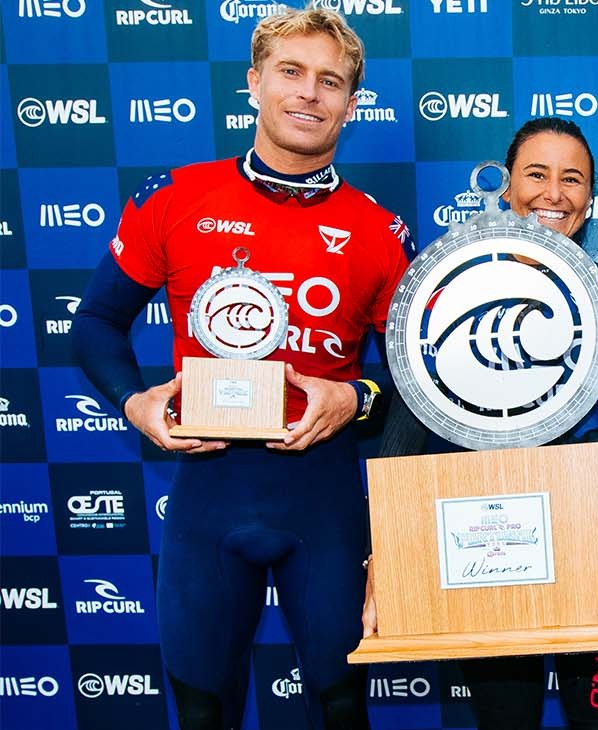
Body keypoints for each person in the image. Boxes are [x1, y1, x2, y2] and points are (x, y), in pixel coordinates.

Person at [72, 8, 411, 729]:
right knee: (201, 711)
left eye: (330, 81)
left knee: (343, 709)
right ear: (254, 82)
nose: (309, 92)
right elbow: (96, 322)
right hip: (208, 499)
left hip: (324, 503)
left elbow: (415, 384)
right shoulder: (174, 198)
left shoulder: (380, 233)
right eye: (291, 71)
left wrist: (353, 396)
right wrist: (134, 402)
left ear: (352, 103)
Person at [362, 117, 598, 730]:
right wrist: (383, 560)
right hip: (488, 542)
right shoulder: (444, 294)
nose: (553, 193)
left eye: (572, 179)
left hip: (597, 541)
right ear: (506, 187)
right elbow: (405, 430)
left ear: (591, 199)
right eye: (536, 174)